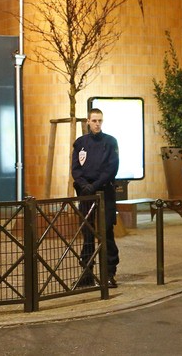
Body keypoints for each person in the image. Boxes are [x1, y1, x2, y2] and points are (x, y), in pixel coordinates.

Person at [72, 108, 120, 288]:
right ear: (88, 121)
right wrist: (84, 185)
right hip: (86, 194)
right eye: (94, 121)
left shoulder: (110, 142)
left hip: (104, 193)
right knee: (88, 233)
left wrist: (95, 185)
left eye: (100, 120)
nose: (97, 124)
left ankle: (108, 273)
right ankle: (87, 272)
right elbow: (76, 168)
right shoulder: (80, 143)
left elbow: (111, 168)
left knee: (106, 232)